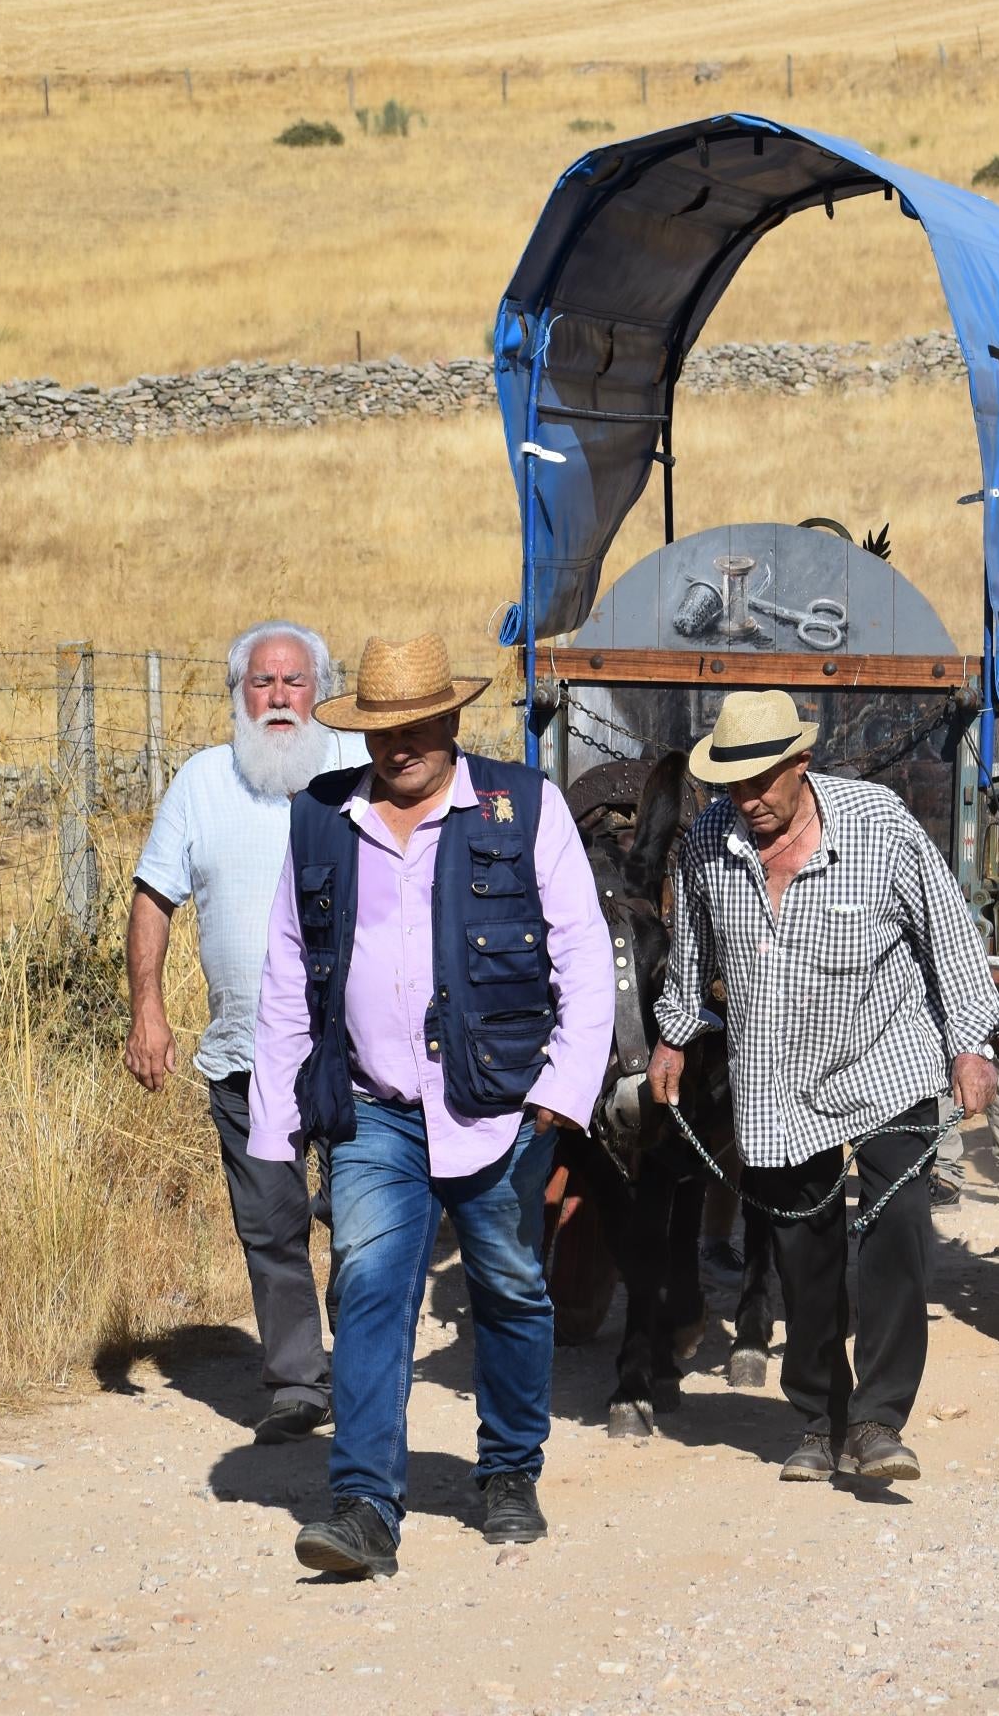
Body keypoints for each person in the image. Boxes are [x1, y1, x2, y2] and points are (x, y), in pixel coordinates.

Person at [249, 635, 616, 1578]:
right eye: (382, 729)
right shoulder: (322, 821)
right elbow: (290, 973)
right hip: (372, 1109)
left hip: (498, 1107)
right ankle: (365, 1504)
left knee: (509, 1287)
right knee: (369, 1287)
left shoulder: (521, 807)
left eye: (416, 726)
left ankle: (507, 1472)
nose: (400, 746)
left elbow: (581, 950)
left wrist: (563, 1095)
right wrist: (275, 1119)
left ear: (451, 719)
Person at [652, 690, 999, 1480]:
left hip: (887, 1058)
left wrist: (971, 1045)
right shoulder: (709, 844)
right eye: (730, 788)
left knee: (899, 1235)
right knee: (799, 1257)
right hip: (778, 1073)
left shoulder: (878, 825)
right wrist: (674, 1035)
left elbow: (946, 932)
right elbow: (690, 953)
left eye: (760, 785)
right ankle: (819, 1416)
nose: (746, 804)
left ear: (800, 765)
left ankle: (878, 1420)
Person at [125, 620, 362, 1446]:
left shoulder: (356, 773)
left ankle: (362, 1364)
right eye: (261, 683)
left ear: (319, 690)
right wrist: (147, 1009)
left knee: (363, 1213)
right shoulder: (201, 783)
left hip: (355, 1054)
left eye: (294, 682)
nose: (278, 698)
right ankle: (299, 1381)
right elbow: (153, 896)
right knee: (270, 1223)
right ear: (238, 694)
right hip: (244, 1056)